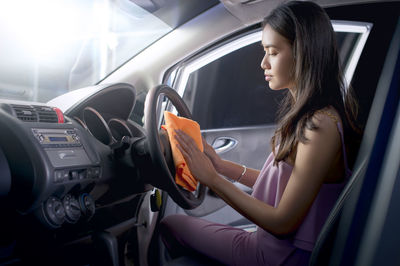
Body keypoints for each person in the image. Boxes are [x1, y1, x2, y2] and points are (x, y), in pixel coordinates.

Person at [159, 1, 361, 265]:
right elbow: (281, 187)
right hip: (270, 246)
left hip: (276, 256)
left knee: (171, 225)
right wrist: (220, 166)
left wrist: (212, 179)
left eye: (273, 52)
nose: (263, 63)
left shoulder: (320, 126)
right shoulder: (312, 116)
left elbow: (283, 223)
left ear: (304, 54)